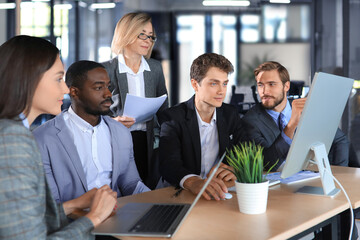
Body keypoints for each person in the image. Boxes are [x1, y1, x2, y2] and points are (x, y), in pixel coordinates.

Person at [0, 35, 117, 239]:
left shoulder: (12, 132)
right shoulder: (12, 140)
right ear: (29, 79)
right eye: (58, 79)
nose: (65, 89)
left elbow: (25, 220)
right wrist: (95, 218)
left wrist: (75, 204)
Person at [33, 60, 150, 204]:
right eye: (99, 88)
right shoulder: (42, 138)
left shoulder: (121, 132)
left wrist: (157, 204)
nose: (108, 94)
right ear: (74, 92)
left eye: (108, 86)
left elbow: (131, 184)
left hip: (119, 215)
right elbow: (52, 205)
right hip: (74, 222)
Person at [158, 53, 247, 200]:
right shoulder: (173, 117)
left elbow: (244, 151)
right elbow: (169, 164)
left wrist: (236, 169)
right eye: (214, 83)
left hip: (220, 191)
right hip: (180, 193)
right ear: (195, 84)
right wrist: (193, 182)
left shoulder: (230, 114)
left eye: (224, 83)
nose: (221, 91)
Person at [102, 12, 168, 188]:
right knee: (121, 187)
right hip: (119, 139)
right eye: (142, 34)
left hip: (146, 141)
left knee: (146, 186)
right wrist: (114, 122)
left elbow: (163, 108)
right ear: (127, 33)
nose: (148, 40)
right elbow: (95, 113)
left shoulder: (154, 68)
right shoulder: (106, 69)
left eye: (151, 36)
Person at [243, 61, 349, 170]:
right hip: (278, 182)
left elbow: (339, 140)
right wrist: (291, 126)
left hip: (312, 175)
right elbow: (266, 163)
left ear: (286, 86)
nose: (264, 91)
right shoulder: (250, 121)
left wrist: (337, 172)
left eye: (271, 84)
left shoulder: (306, 108)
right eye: (260, 85)